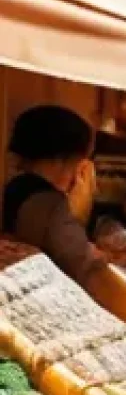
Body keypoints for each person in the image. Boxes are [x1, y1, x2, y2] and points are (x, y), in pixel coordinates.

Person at [3, 105, 105, 286]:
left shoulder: (12, 189)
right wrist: (80, 215)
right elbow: (83, 269)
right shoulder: (52, 206)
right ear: (62, 158)